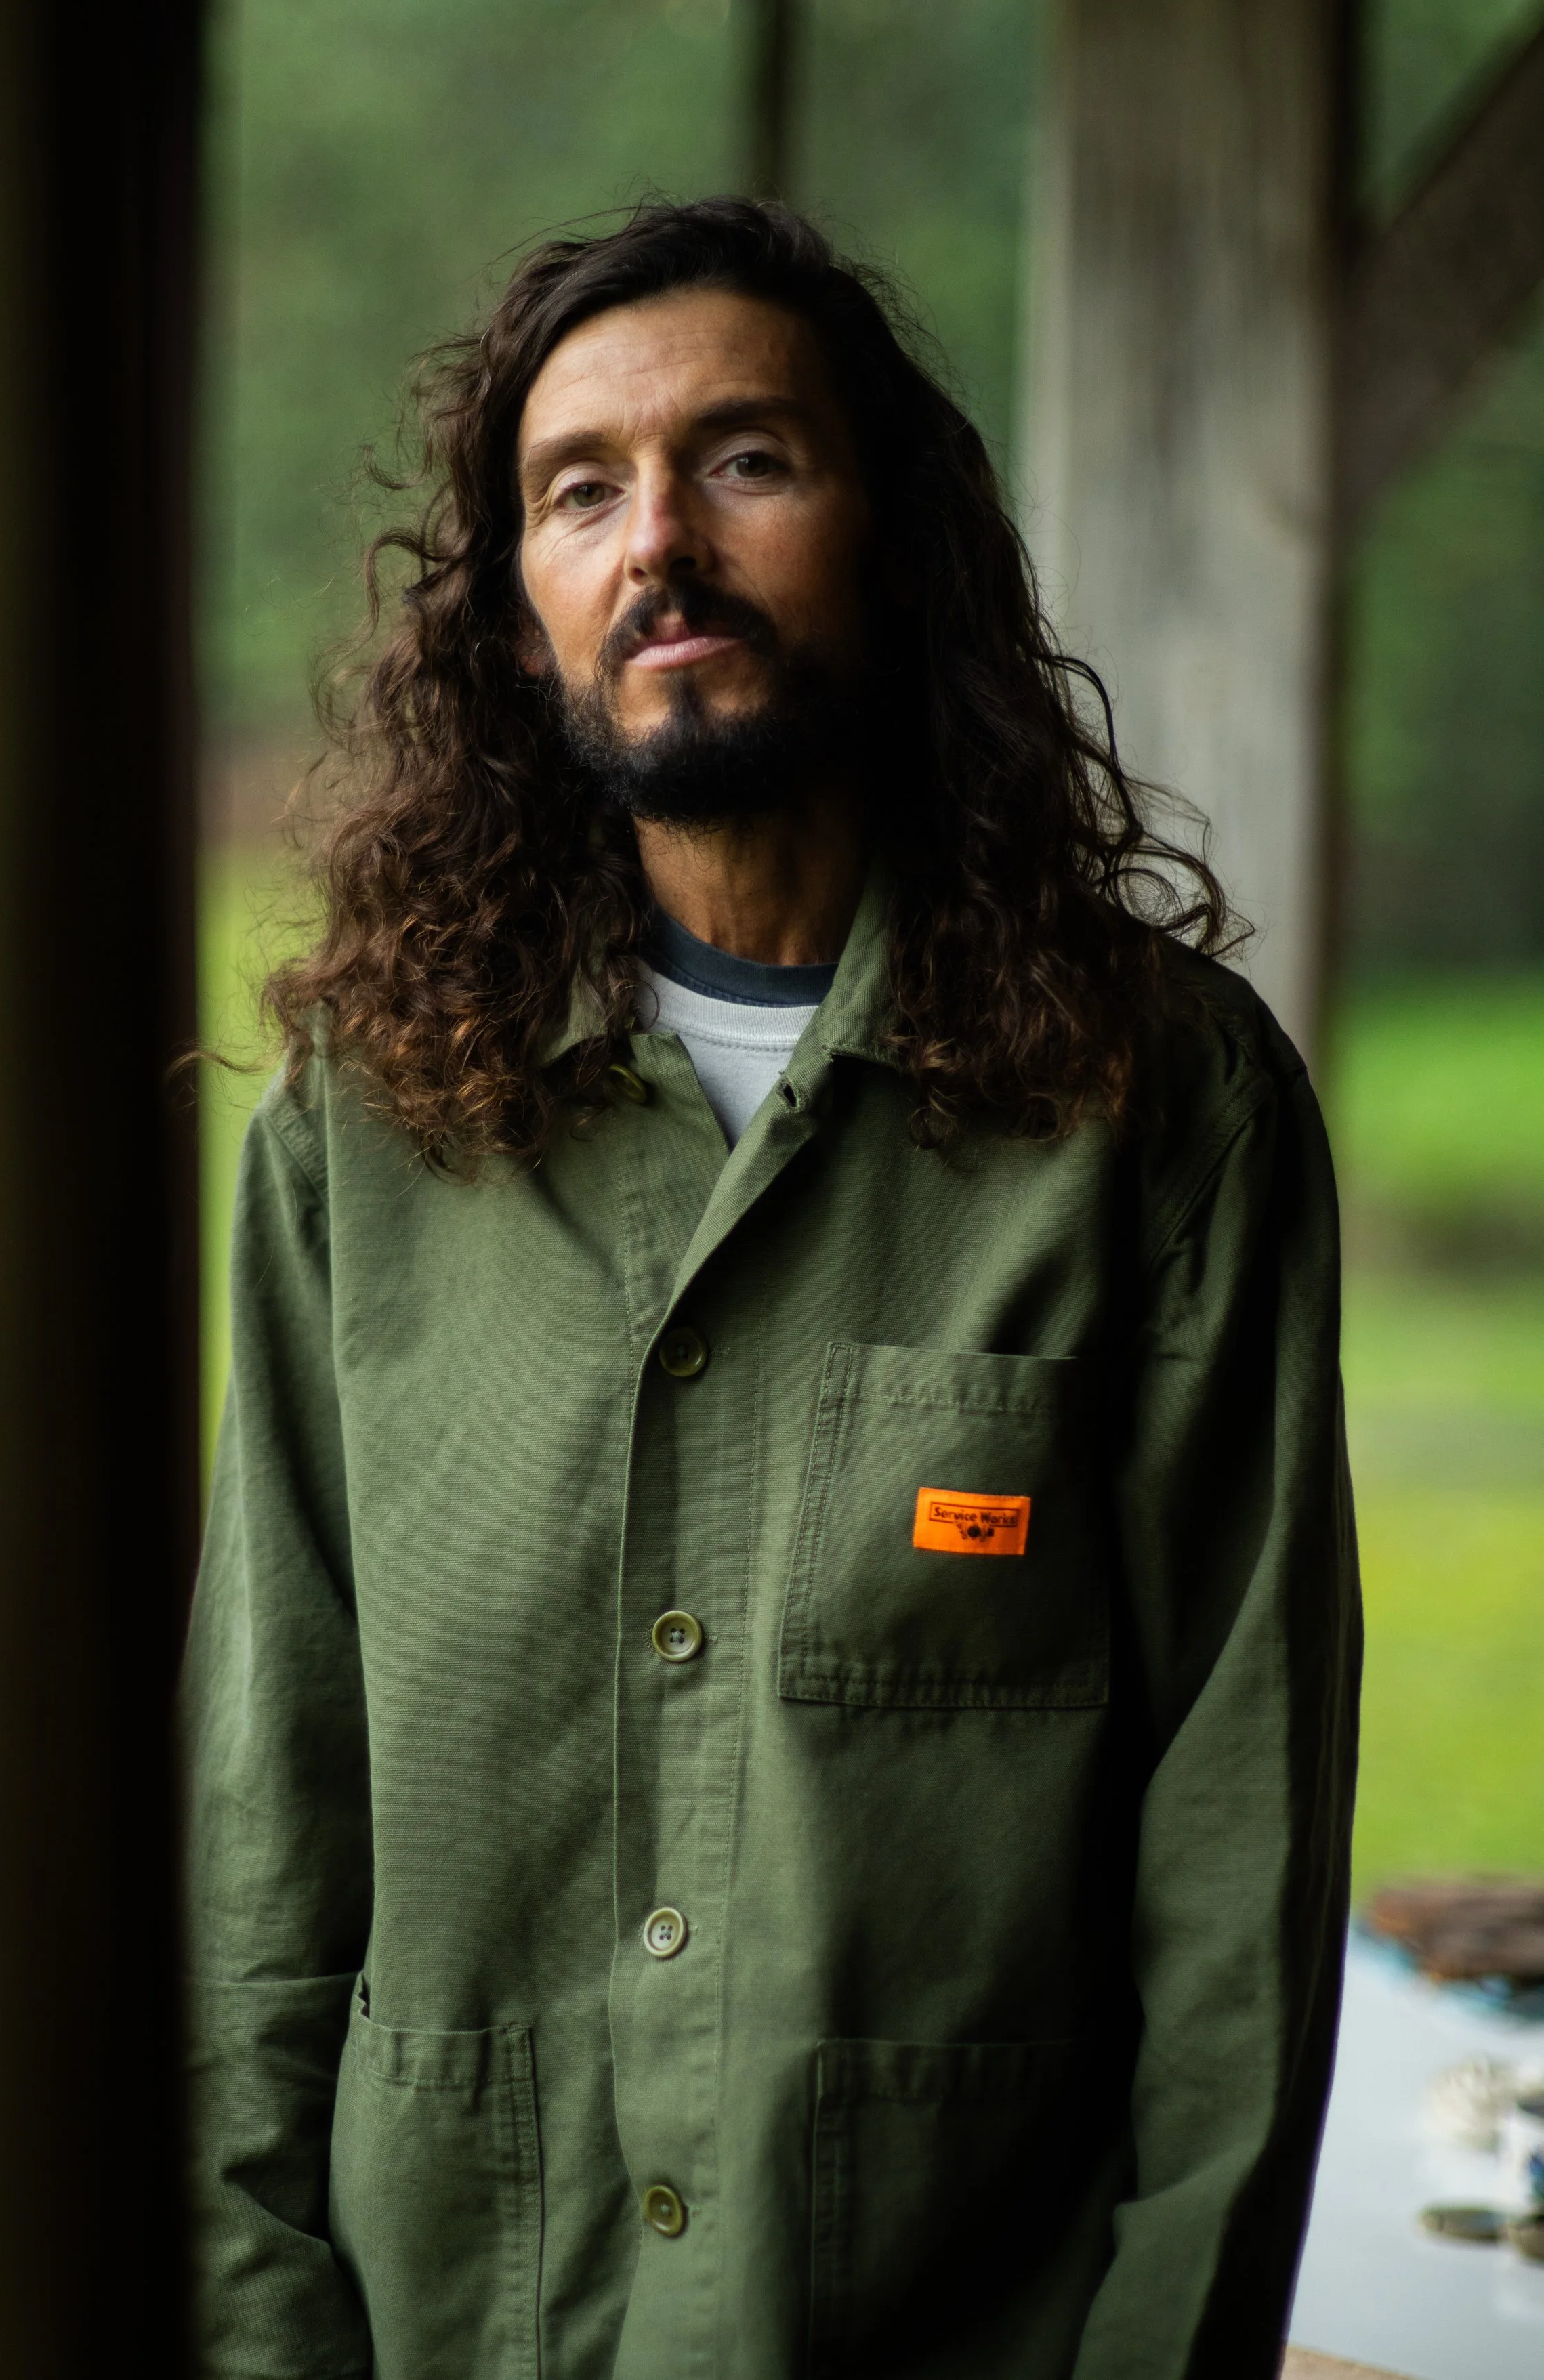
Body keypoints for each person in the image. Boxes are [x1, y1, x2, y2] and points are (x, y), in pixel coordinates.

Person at [184, 198, 1360, 2380]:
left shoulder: (1159, 1110)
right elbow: (267, 1817)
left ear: (895, 535)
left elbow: (1236, 1867)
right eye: (578, 487)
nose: (658, 544)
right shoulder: (365, 1123)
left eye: (744, 459)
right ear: (513, 606)